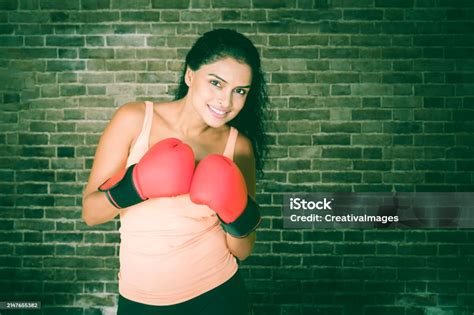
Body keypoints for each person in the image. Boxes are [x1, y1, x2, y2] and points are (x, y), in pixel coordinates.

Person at [81, 29, 269, 315]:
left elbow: (243, 250)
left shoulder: (238, 146)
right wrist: (136, 184)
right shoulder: (134, 120)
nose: (226, 102)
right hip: (140, 298)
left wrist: (235, 212)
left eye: (239, 91)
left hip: (218, 294)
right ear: (190, 76)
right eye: (216, 83)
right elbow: (90, 213)